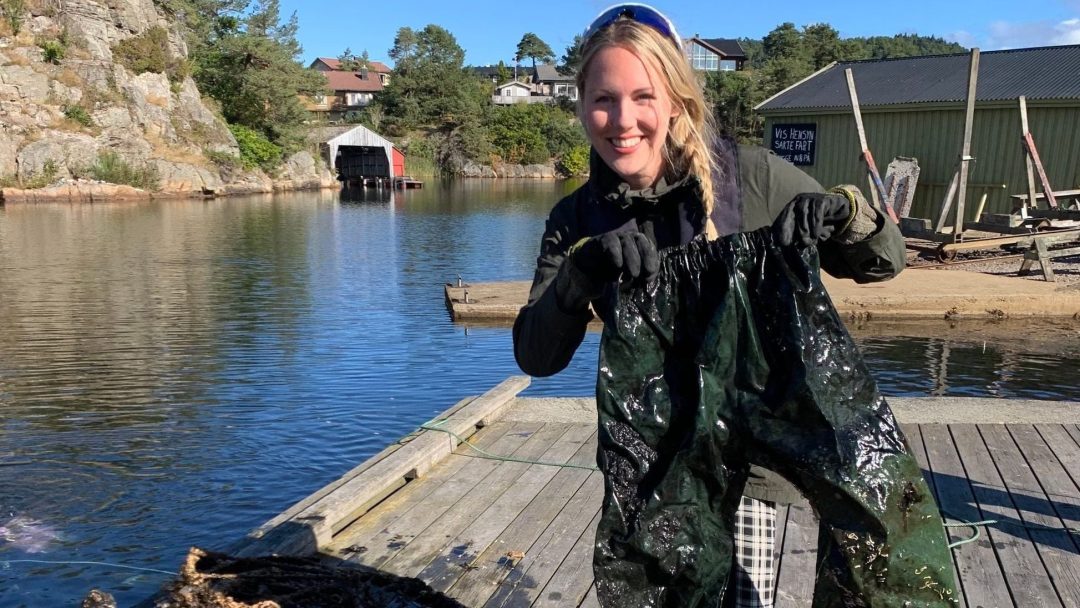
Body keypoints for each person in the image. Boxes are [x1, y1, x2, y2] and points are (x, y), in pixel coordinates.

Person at [513, 4, 957, 608]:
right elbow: (536, 356)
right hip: (653, 468)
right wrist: (577, 276)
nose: (623, 120)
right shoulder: (576, 220)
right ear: (580, 104)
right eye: (603, 99)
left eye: (643, 96)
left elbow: (884, 261)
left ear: (676, 100)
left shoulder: (752, 179)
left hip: (755, 466)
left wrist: (851, 213)